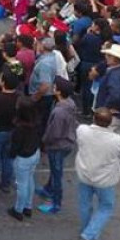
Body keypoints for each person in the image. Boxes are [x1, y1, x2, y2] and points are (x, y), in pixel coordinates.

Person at [75, 108, 120, 240]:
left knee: (85, 204)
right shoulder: (116, 140)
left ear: (94, 119)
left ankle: (86, 230)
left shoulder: (82, 131)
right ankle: (89, 234)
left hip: (85, 174)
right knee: (106, 206)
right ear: (110, 123)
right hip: (105, 180)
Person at [37, 77, 77, 214]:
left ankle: (56, 203)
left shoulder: (59, 112)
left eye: (55, 86)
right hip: (67, 142)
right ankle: (47, 189)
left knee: (56, 173)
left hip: (58, 146)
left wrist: (44, 140)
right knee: (55, 170)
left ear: (59, 92)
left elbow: (54, 133)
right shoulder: (69, 103)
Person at [7, 98, 41, 221]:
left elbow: (15, 146)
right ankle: (28, 206)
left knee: (21, 185)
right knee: (30, 179)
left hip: (23, 158)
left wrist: (11, 155)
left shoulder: (19, 128)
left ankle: (18, 209)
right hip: (35, 153)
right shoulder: (37, 122)